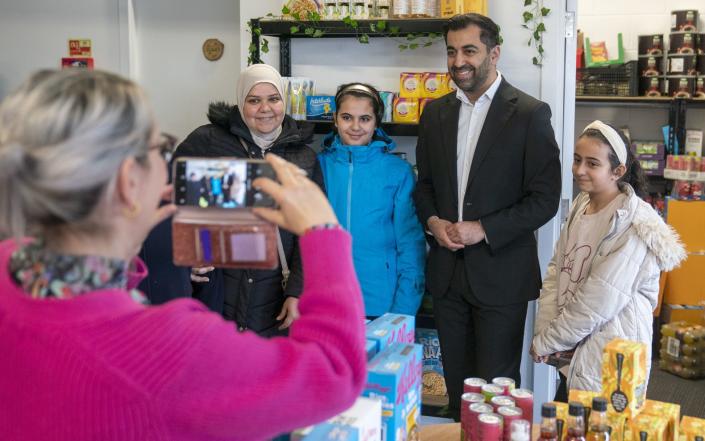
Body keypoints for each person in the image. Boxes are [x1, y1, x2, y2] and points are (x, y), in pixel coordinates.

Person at [0, 69, 366, 440]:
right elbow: (335, 376)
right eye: (161, 148)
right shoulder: (171, 350)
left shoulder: (10, 267)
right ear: (129, 181)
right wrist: (323, 232)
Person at [413, 13, 562, 420]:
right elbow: (423, 186)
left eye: (469, 50)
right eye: (451, 51)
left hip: (502, 276)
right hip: (447, 275)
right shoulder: (434, 113)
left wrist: (484, 229)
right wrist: (433, 223)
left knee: (497, 392)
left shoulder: (531, 114)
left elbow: (546, 198)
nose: (458, 60)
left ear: (494, 53)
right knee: (458, 388)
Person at [140, 63, 323, 336]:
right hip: (217, 289)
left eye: (273, 99)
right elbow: (169, 206)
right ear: (240, 104)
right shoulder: (206, 142)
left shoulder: (304, 156)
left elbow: (312, 229)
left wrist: (296, 291)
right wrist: (187, 258)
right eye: (254, 100)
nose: (265, 109)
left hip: (274, 294)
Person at [532, 121, 686, 397]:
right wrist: (547, 332)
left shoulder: (635, 225)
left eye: (592, 163)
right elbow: (558, 270)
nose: (580, 170)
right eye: (577, 160)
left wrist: (549, 340)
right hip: (574, 349)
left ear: (618, 171)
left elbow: (598, 299)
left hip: (611, 356)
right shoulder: (582, 205)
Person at [318, 83, 425, 318]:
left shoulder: (398, 172)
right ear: (335, 119)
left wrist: (403, 312)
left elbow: (410, 245)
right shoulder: (317, 166)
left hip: (380, 306)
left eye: (365, 119)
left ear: (376, 122)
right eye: (347, 117)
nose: (355, 127)